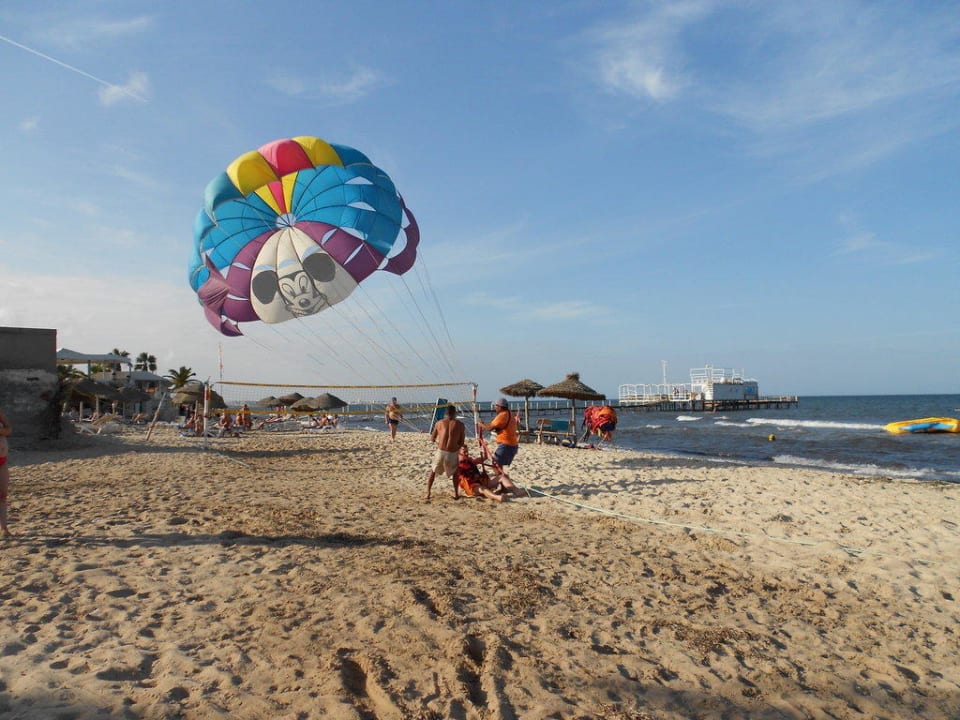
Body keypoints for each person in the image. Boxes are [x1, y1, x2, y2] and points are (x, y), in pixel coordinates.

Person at [426, 405, 465, 501]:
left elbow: (432, 438)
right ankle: (456, 494)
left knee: (433, 471)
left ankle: (428, 493)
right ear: (455, 413)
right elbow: (461, 442)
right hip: (452, 452)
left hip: (441, 451)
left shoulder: (439, 423)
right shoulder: (460, 424)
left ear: (446, 413)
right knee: (455, 473)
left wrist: (438, 442)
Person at [478, 398, 520, 488]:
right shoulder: (509, 412)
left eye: (495, 406)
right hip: (512, 444)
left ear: (500, 407)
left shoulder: (502, 415)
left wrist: (480, 424)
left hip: (506, 444)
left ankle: (504, 484)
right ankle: (503, 486)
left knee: (495, 464)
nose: (494, 408)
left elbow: (489, 427)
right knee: (499, 466)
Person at [0, 407, 12, 537]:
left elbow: (9, 430)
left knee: (3, 495)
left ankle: (4, 528)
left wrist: (1, 431)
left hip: (2, 460)